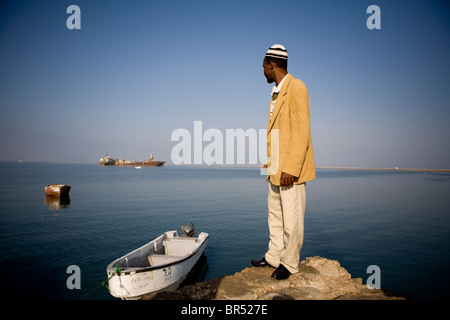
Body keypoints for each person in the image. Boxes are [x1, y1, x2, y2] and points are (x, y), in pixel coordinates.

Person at [251, 44, 316, 280]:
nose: (263, 72)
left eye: (264, 67)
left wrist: (291, 167)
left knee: (292, 218)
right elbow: (278, 132)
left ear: (272, 64)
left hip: (291, 169)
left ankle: (289, 264)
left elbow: (301, 131)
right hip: (275, 167)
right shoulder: (276, 91)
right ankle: (273, 257)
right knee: (275, 216)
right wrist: (270, 162)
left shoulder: (297, 87)